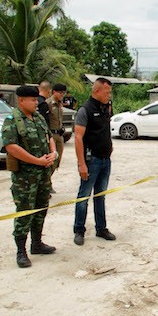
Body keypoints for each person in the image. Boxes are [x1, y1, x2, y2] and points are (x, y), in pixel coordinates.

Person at [2, 85, 58, 268]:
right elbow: (11, 147)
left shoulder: (38, 117)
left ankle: (37, 243)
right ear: (21, 100)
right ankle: (21, 251)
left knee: (41, 208)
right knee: (25, 212)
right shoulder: (12, 120)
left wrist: (53, 153)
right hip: (25, 178)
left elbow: (49, 136)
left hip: (43, 175)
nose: (36, 102)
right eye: (33, 100)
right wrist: (37, 161)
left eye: (36, 100)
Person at [73, 77, 115, 245]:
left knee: (100, 196)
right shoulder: (85, 110)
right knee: (84, 196)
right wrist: (82, 163)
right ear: (97, 91)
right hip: (92, 161)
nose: (109, 95)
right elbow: (78, 138)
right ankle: (79, 230)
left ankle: (101, 228)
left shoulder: (106, 107)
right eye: (107, 92)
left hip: (106, 160)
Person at [46, 83, 67, 194]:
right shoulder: (48, 103)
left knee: (57, 161)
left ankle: (48, 182)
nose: (62, 95)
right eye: (60, 93)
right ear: (54, 92)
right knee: (52, 160)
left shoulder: (59, 104)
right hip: (51, 135)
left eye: (63, 93)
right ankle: (46, 184)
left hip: (59, 135)